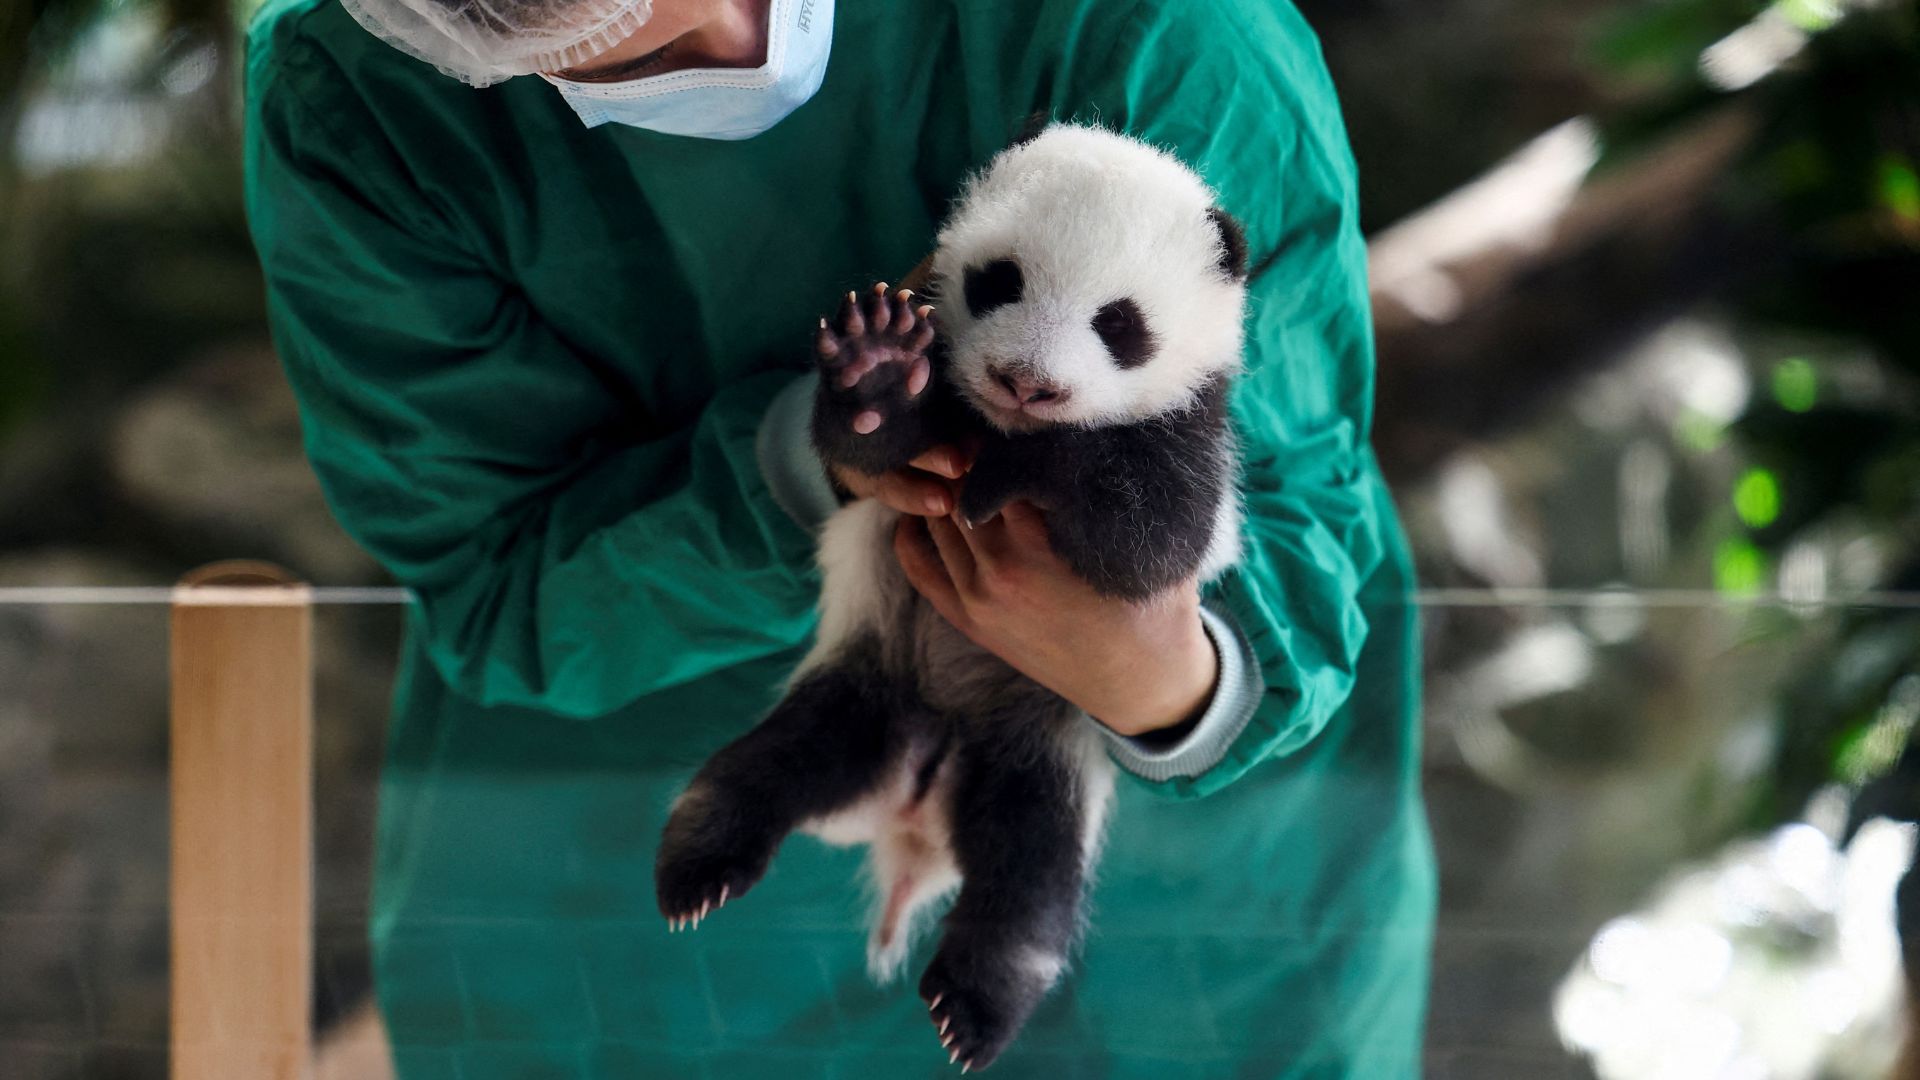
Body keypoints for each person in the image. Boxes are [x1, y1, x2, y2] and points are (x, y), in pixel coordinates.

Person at [242, 0, 1437, 1075]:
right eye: (621, 52)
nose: (721, 45)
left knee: (1034, 860)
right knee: (793, 764)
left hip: (1203, 946)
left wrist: (1165, 673)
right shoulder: (364, 103)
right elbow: (495, 574)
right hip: (641, 947)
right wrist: (817, 460)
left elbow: (1284, 493)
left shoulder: (1147, 28)